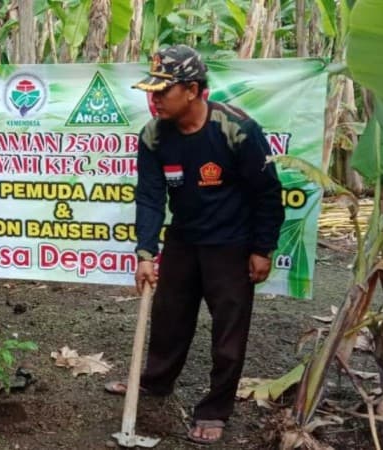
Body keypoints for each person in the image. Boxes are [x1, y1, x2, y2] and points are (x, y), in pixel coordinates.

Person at [104, 45, 285, 445]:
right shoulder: (154, 135)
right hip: (184, 239)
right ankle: (155, 381)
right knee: (169, 319)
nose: (153, 100)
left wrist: (262, 248)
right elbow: (150, 197)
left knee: (228, 334)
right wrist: (146, 252)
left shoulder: (236, 129)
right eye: (150, 92)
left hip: (231, 245)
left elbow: (267, 193)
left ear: (191, 90)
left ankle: (215, 409)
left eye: (161, 92)